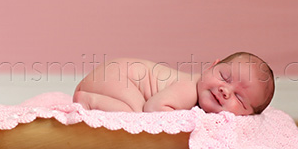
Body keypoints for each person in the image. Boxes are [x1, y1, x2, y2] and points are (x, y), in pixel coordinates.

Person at [73, 51, 275, 115]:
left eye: (239, 98)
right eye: (224, 77)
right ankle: (90, 100)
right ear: (210, 67)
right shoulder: (188, 89)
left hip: (111, 76)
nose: (225, 90)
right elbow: (153, 108)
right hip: (116, 77)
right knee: (136, 114)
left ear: (248, 115)